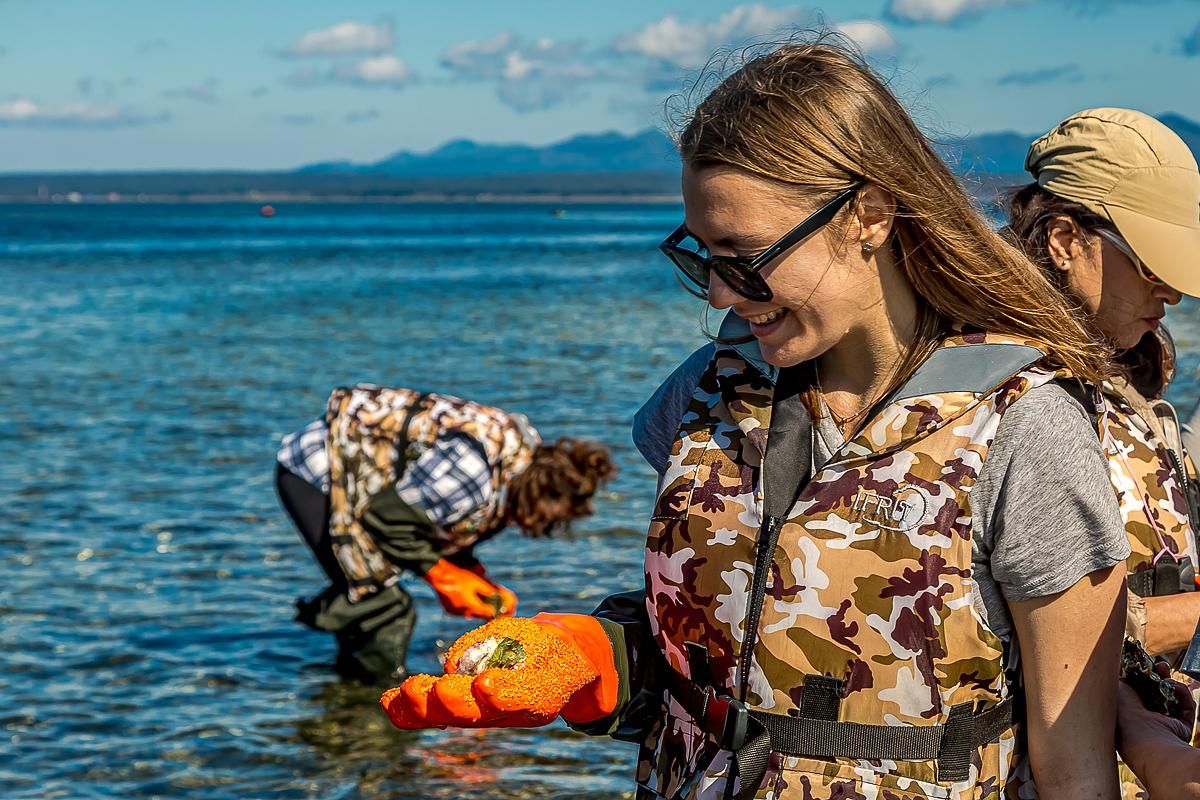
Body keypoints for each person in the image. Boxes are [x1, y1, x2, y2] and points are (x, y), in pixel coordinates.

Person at [379, 39, 1131, 799]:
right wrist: (594, 654)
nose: (719, 295)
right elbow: (740, 617)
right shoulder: (706, 391)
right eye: (700, 256)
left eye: (744, 257)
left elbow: (1075, 761)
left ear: (868, 216)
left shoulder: (1025, 428)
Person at [1006, 107, 1200, 799]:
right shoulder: (988, 389)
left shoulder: (1128, 369)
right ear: (1063, 238)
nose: (1172, 292)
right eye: (1152, 265)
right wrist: (1171, 621)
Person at [275, 384, 616, 683]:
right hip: (319, 469)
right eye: (532, 520)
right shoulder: (473, 472)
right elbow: (385, 518)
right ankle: (375, 706)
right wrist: (445, 580)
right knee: (385, 605)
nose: (519, 526)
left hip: (373, 489)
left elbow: (441, 519)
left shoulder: (522, 461)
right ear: (539, 495)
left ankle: (346, 680)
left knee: (370, 596)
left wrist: (474, 577)